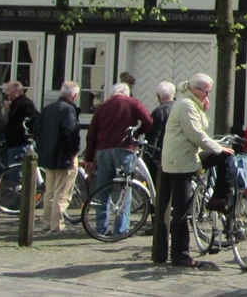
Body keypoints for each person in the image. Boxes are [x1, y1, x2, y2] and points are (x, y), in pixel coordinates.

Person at [163, 73, 231, 267]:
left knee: (226, 158)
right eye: (206, 91)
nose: (207, 95)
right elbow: (196, 134)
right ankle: (180, 254)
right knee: (182, 210)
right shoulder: (185, 105)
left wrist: (203, 108)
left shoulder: (192, 103)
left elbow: (201, 128)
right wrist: (219, 148)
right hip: (180, 162)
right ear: (195, 89)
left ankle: (218, 198)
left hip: (189, 157)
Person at [85, 82, 153, 237]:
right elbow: (148, 120)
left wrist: (89, 157)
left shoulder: (102, 107)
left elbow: (92, 133)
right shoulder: (132, 103)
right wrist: (137, 133)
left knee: (103, 189)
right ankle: (121, 229)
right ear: (126, 92)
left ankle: (101, 228)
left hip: (103, 150)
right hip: (125, 149)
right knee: (124, 189)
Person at [35, 81, 81, 234]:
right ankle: (57, 225)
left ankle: (47, 222)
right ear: (74, 95)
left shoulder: (48, 109)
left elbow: (37, 131)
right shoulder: (69, 110)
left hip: (48, 156)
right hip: (64, 157)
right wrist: (75, 151)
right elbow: (71, 133)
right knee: (62, 193)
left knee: (50, 191)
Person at [2, 81, 39, 201]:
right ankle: (19, 202)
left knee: (18, 175)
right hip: (15, 143)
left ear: (17, 91)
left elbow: (32, 120)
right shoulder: (17, 103)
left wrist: (22, 131)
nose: (6, 94)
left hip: (20, 143)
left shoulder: (24, 104)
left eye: (9, 90)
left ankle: (20, 203)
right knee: (16, 174)